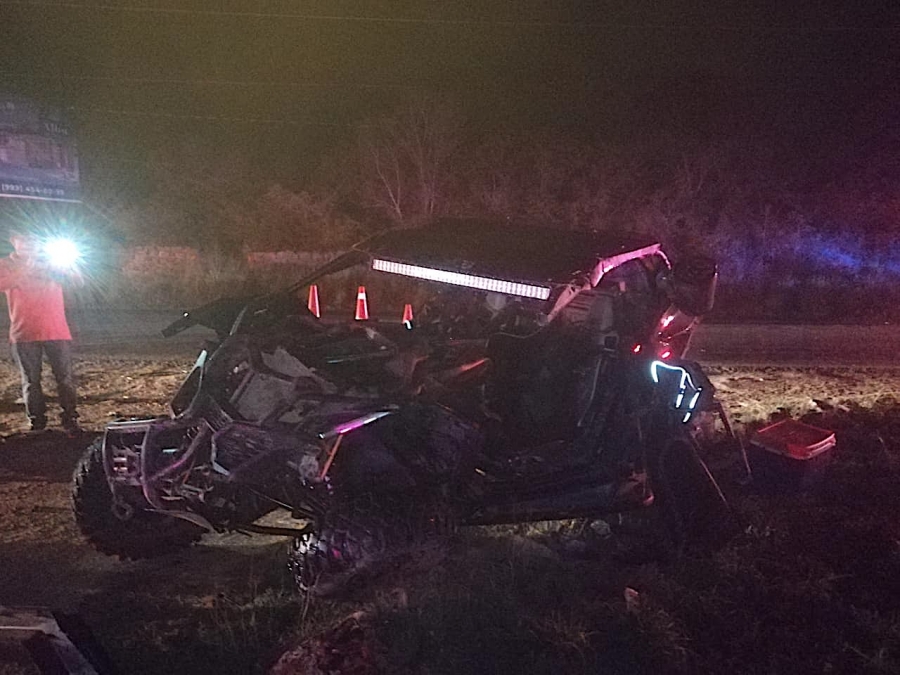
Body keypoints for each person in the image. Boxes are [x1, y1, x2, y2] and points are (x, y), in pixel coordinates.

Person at [0, 229, 84, 433]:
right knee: (31, 381)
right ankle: (37, 421)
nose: (30, 243)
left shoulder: (51, 263)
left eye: (34, 240)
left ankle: (70, 418)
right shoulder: (6, 264)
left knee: (64, 378)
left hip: (56, 331)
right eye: (24, 239)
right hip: (24, 333)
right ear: (14, 241)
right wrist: (26, 267)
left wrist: (69, 265)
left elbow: (77, 282)